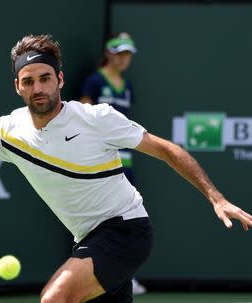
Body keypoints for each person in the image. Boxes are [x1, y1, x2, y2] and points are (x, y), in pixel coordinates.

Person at [0, 34, 252, 303]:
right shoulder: (7, 131)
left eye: (45, 78)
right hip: (87, 238)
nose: (38, 88)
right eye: (28, 81)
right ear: (18, 86)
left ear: (60, 79)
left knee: (53, 300)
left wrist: (217, 197)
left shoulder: (96, 117)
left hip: (126, 230)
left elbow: (168, 150)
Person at [80, 32, 145, 295]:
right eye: (120, 53)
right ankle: (90, 277)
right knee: (96, 221)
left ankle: (125, 278)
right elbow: (82, 117)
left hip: (124, 164)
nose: (124, 58)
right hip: (97, 163)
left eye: (128, 54)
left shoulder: (127, 86)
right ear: (109, 53)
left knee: (129, 219)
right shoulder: (94, 81)